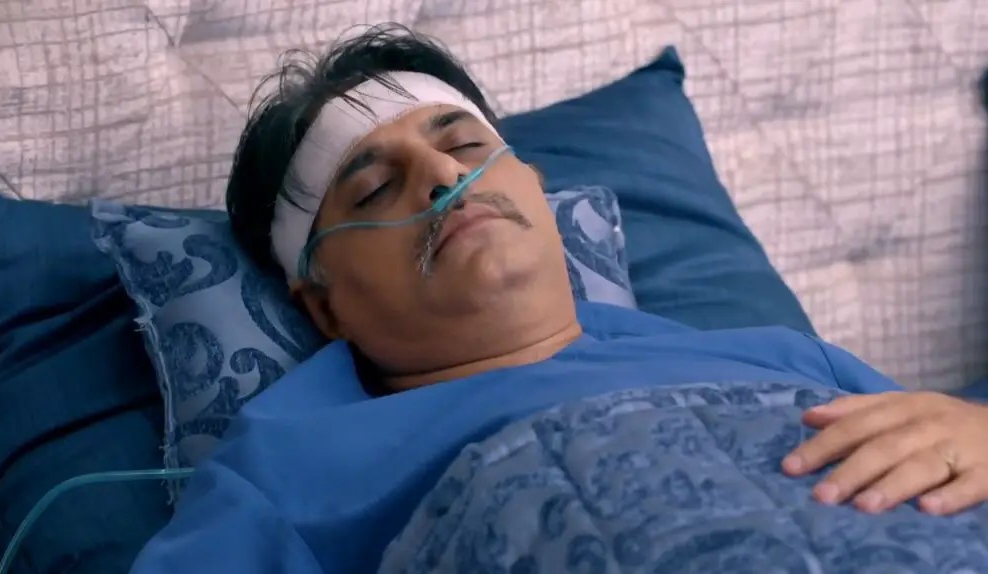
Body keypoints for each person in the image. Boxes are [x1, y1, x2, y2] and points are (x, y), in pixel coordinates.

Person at [130, 25, 988, 573]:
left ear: (537, 189)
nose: (444, 175)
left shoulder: (787, 359)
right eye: (375, 188)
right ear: (324, 306)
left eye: (467, 144)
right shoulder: (287, 463)